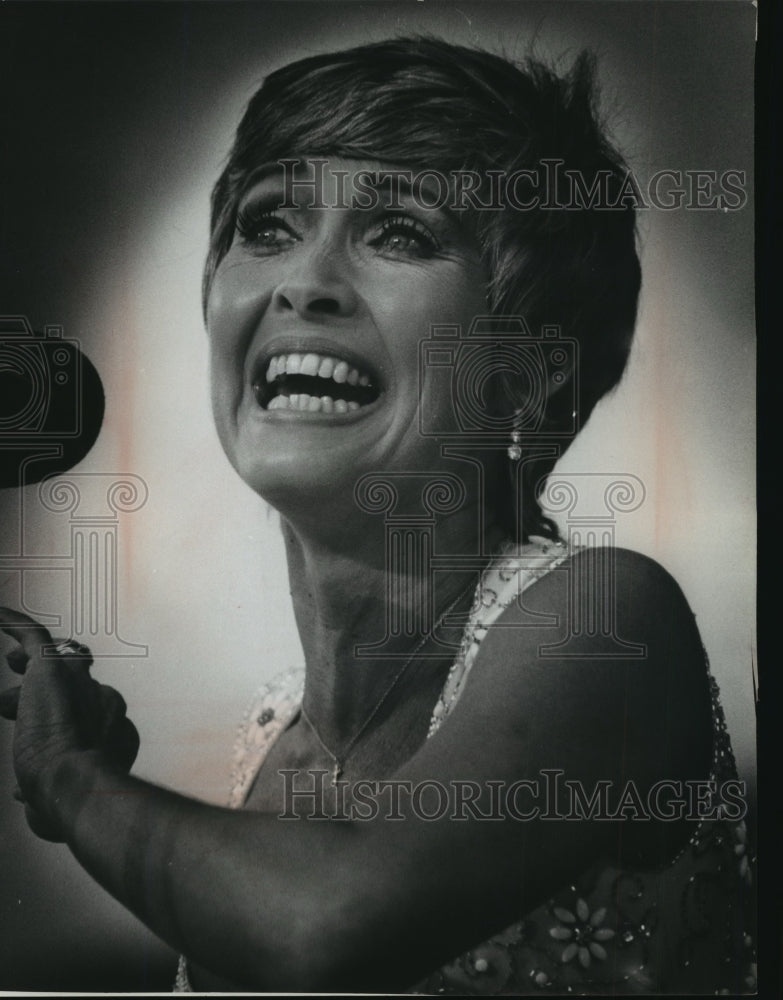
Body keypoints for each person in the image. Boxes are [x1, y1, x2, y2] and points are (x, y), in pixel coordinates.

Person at [0, 36, 754, 994]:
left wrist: (69, 778)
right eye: (267, 224)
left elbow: (325, 922)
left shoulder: (606, 619)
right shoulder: (271, 735)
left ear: (529, 377)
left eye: (400, 233)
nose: (301, 283)